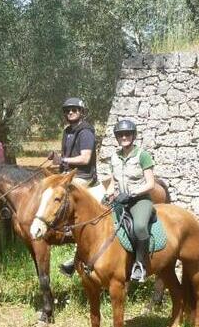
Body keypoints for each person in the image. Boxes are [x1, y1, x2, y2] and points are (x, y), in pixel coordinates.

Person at [48, 97, 98, 275]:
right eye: (67, 110)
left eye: (74, 110)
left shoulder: (85, 132)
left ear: (81, 112)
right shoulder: (67, 131)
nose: (70, 112)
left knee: (65, 199)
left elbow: (85, 158)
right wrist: (58, 162)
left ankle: (72, 245)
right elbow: (66, 158)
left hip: (83, 176)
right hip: (68, 175)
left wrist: (63, 160)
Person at [106, 119, 156, 283]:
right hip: (120, 200)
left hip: (140, 200)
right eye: (121, 134)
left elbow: (150, 184)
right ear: (117, 137)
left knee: (140, 226)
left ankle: (140, 265)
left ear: (133, 136)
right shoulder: (114, 157)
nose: (124, 137)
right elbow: (113, 181)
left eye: (127, 134)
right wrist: (108, 194)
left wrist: (132, 193)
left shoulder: (143, 155)